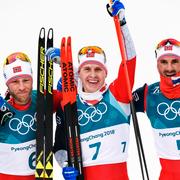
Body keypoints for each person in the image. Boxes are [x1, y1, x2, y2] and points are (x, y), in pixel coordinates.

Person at [47, 1, 136, 179]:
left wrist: (122, 23)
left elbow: (129, 61)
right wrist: (65, 166)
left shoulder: (118, 94)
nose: (93, 75)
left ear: (105, 72)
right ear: (79, 74)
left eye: (98, 70)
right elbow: (59, 144)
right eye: (87, 69)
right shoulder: (69, 102)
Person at [0, 52, 62, 180]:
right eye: (15, 82)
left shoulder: (42, 98)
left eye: (26, 80)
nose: (22, 87)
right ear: (7, 84)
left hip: (41, 175)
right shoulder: (3, 108)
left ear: (33, 79)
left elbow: (78, 95)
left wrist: (66, 66)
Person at [133, 38, 180, 180]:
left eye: (175, 61)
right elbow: (117, 105)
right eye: (164, 62)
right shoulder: (147, 93)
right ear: (157, 64)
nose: (169, 68)